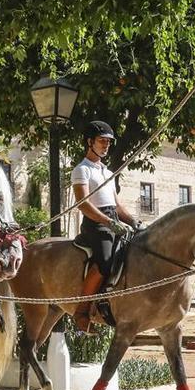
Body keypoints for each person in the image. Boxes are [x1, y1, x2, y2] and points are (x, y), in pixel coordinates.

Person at [71, 121, 138, 333]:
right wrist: (109, 222)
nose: (106, 145)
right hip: (95, 224)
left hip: (113, 220)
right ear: (89, 142)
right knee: (106, 263)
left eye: (108, 142)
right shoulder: (82, 170)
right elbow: (83, 204)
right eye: (102, 141)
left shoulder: (108, 173)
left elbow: (116, 206)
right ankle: (81, 312)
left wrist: (134, 221)